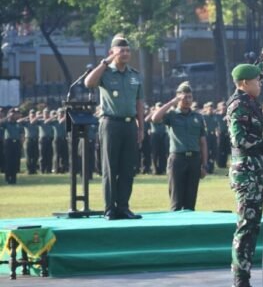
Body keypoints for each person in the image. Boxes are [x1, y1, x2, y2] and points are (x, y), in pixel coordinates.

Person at [84, 34, 144, 220]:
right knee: (110, 168)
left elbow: (139, 103)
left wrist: (141, 127)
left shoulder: (134, 75)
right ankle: (110, 208)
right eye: (121, 50)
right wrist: (105, 62)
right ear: (112, 52)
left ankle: (123, 206)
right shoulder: (106, 73)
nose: (125, 54)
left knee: (128, 168)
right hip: (111, 124)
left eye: (127, 50)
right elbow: (89, 83)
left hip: (129, 125)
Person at [227, 64, 263, 287]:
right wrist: (259, 143)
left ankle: (245, 275)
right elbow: (238, 139)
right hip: (246, 173)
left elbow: (255, 70)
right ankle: (239, 278)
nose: (260, 83)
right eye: (256, 80)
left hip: (254, 172)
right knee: (246, 226)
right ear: (244, 83)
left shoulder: (249, 101)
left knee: (252, 226)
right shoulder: (238, 105)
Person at [151, 82, 207, 211]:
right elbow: (155, 118)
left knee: (191, 200)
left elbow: (203, 142)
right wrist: (172, 102)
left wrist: (204, 165)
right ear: (178, 98)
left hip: (194, 159)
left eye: (189, 97)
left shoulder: (198, 117)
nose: (187, 100)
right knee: (176, 200)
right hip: (178, 159)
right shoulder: (172, 115)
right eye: (184, 97)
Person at [2, 108, 25, 184]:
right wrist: (7, 117)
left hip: (17, 143)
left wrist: (21, 145)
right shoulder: (6, 123)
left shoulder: (18, 123)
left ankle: (14, 179)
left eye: (15, 114)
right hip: (9, 143)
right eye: (12, 113)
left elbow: (22, 134)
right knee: (8, 161)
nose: (14, 115)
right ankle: (8, 177)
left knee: (15, 162)